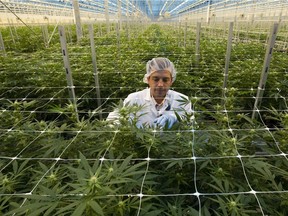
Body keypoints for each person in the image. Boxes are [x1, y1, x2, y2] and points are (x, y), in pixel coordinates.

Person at [107, 57, 192, 129]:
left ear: (171, 81)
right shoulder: (134, 99)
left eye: (165, 80)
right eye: (155, 79)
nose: (160, 85)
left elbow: (192, 126)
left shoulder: (182, 100)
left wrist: (177, 118)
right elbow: (113, 119)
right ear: (148, 79)